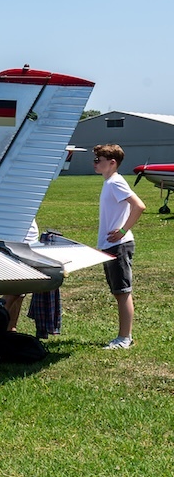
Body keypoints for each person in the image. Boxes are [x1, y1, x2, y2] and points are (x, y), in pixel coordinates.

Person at [93, 143, 145, 350]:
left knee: (123, 292)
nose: (95, 163)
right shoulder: (109, 183)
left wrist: (123, 231)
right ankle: (124, 336)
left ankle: (125, 338)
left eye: (99, 160)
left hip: (120, 246)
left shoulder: (115, 182)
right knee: (119, 292)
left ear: (112, 163)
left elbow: (139, 206)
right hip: (110, 245)